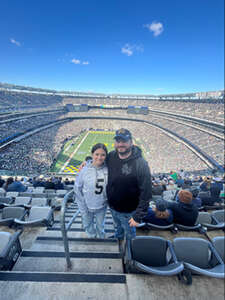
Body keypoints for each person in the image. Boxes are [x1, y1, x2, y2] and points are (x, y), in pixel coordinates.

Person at [106, 128, 152, 240]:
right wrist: (87, 163)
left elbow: (146, 192)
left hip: (128, 210)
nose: (121, 144)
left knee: (130, 233)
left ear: (131, 142)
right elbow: (97, 163)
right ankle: (119, 236)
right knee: (118, 226)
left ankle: (130, 249)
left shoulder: (140, 163)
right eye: (118, 141)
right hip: (112, 206)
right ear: (114, 143)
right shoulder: (111, 156)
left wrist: (138, 216)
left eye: (124, 141)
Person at [74, 143, 108, 238]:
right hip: (87, 206)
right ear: (92, 154)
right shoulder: (84, 170)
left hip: (102, 205)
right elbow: (77, 189)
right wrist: (82, 206)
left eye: (103, 155)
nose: (99, 157)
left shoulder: (108, 169)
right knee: (88, 224)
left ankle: (101, 236)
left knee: (100, 224)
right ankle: (91, 236)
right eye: (97, 154)